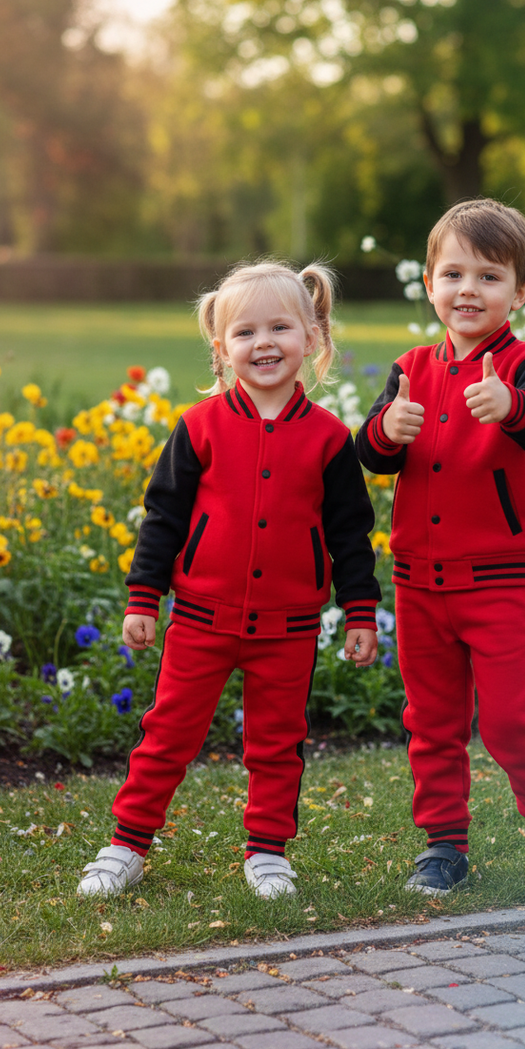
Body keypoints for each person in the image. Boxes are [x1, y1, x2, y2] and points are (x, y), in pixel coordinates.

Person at [78, 261, 380, 901]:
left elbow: (352, 537)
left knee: (278, 745)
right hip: (198, 619)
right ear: (221, 349)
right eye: (245, 332)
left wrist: (359, 613)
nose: (263, 342)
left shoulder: (330, 441)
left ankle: (268, 852)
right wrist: (143, 598)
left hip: (288, 628)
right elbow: (163, 518)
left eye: (280, 327)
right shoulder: (197, 429)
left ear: (313, 336)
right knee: (167, 735)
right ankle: (127, 844)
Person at [356, 199, 525, 905]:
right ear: (429, 284)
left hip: (498, 581)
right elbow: (371, 453)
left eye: (489, 277)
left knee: (514, 717)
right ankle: (443, 846)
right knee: (432, 722)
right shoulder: (410, 368)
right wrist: (386, 428)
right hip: (419, 582)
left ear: (520, 293)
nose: (468, 291)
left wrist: (511, 407)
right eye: (452, 273)